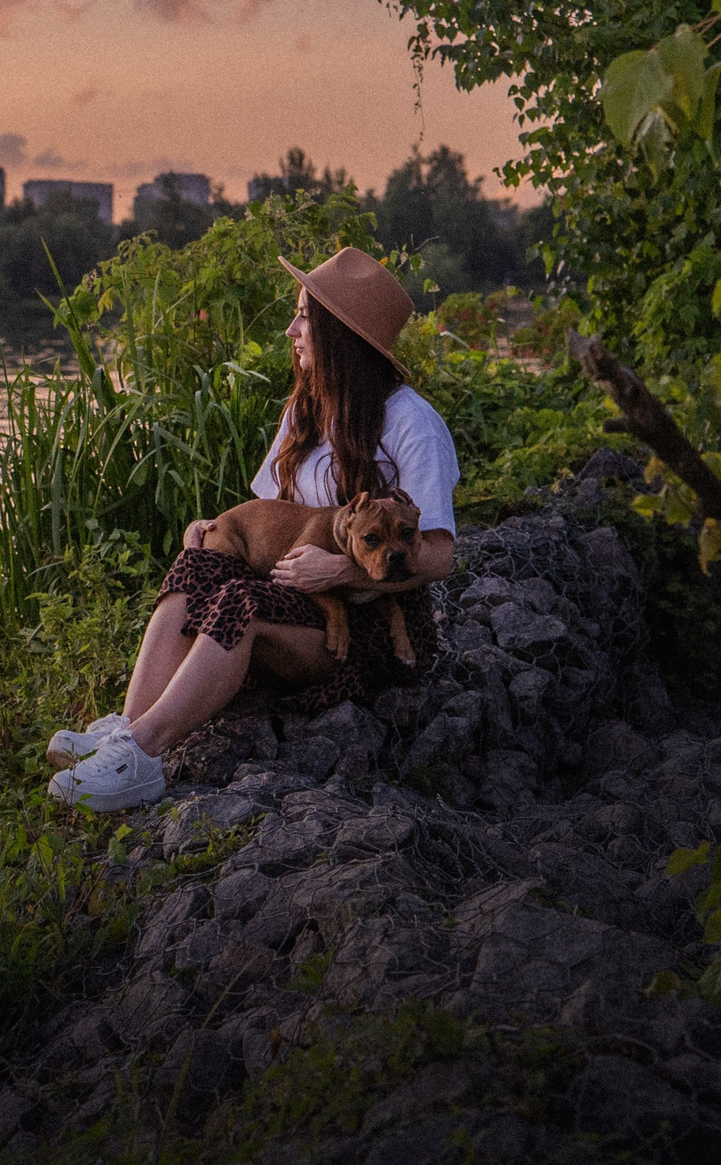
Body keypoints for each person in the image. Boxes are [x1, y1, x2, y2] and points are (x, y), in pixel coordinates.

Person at [48, 246, 460, 811]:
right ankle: (126, 728)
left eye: (304, 318)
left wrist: (341, 567)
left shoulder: (413, 423)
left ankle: (144, 754)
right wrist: (214, 529)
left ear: (341, 335)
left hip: (373, 633)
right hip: (296, 604)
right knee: (198, 563)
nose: (291, 330)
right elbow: (269, 513)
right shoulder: (306, 412)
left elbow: (440, 555)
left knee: (241, 600)